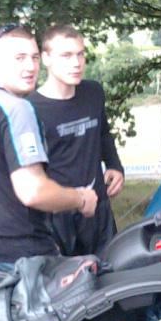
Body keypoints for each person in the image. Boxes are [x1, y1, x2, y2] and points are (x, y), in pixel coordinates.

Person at [0, 23, 98, 273]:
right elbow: (33, 191)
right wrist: (81, 198)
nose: (30, 67)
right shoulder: (17, 109)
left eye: (35, 58)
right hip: (20, 259)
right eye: (19, 58)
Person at [29, 24, 125, 256]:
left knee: (110, 279)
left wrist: (114, 165)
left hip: (98, 209)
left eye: (80, 54)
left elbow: (103, 133)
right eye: (66, 55)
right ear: (46, 58)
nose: (76, 63)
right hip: (58, 216)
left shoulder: (93, 92)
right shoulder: (30, 109)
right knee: (68, 286)